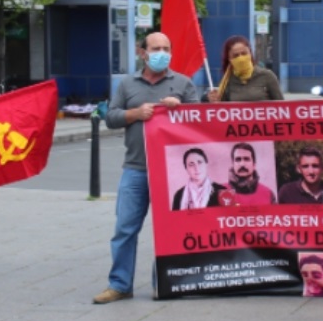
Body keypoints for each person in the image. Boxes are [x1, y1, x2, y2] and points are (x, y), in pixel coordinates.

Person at [95, 32, 199, 304]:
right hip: (136, 168)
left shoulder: (183, 83)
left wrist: (181, 110)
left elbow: (200, 123)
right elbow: (111, 117)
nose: (161, 53)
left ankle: (163, 283)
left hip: (171, 171)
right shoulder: (127, 84)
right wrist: (135, 114)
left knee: (169, 230)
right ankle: (119, 284)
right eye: (155, 48)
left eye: (166, 48)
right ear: (143, 52)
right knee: (125, 229)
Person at [207, 36, 284, 103]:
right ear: (229, 59)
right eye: (236, 56)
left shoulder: (267, 76)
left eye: (244, 53)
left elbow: (282, 106)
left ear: (250, 53)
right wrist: (215, 100)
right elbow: (223, 111)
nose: (241, 58)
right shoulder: (227, 81)